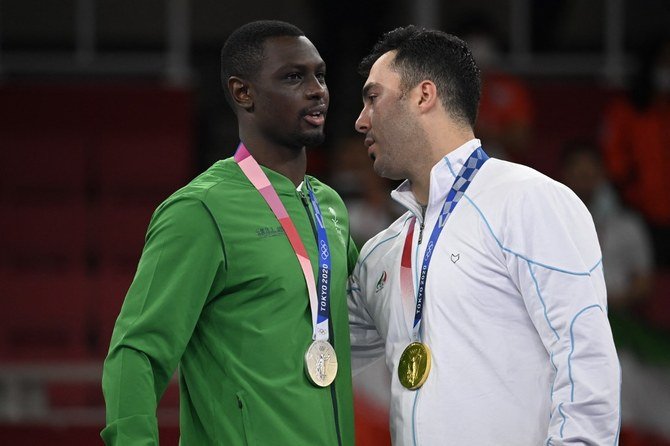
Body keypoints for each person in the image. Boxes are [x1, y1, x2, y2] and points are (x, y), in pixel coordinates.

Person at [348, 25, 621, 445]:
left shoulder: (528, 201)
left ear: (424, 95)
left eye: (373, 98)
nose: (360, 120)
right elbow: (313, 352)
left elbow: (584, 357)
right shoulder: (380, 253)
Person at [101, 20, 358, 445]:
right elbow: (137, 352)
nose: (317, 90)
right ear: (244, 93)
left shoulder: (328, 205)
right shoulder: (200, 210)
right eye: (294, 77)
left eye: (320, 75)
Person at [600, 35, 670, 266]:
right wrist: (631, 191)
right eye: (664, 62)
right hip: (640, 213)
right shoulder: (626, 110)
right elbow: (613, 160)